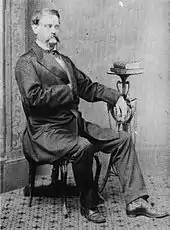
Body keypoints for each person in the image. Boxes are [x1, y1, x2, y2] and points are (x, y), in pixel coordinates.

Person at [15, 8, 168, 223]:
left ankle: (136, 201)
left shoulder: (65, 61)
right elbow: (33, 97)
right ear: (35, 27)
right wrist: (67, 91)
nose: (53, 31)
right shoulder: (27, 63)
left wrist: (117, 98)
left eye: (56, 26)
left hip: (73, 124)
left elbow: (88, 87)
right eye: (48, 26)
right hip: (45, 131)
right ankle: (88, 205)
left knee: (122, 139)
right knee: (83, 147)